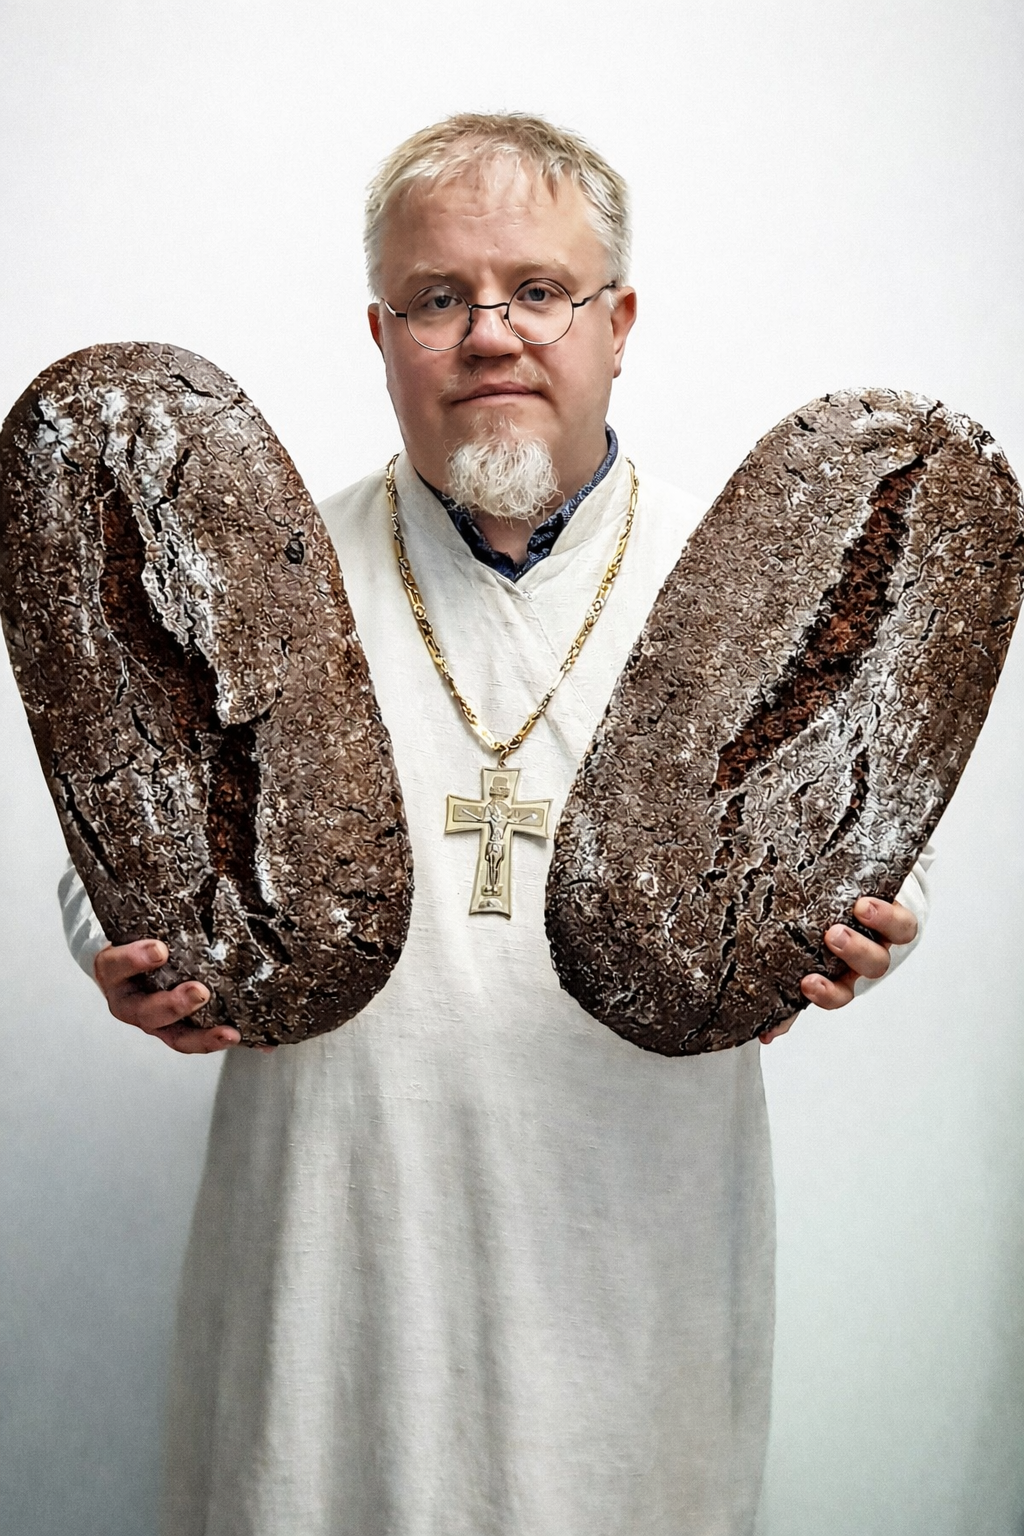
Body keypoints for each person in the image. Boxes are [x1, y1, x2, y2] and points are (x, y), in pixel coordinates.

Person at [59, 114, 930, 1536]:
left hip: (633, 1247)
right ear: (381, 329)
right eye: (437, 297)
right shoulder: (252, 575)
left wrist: (867, 928)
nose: (491, 335)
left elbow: (880, 827)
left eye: (539, 289)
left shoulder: (742, 589)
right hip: (327, 1252)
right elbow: (118, 847)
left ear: (619, 319)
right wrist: (128, 943)